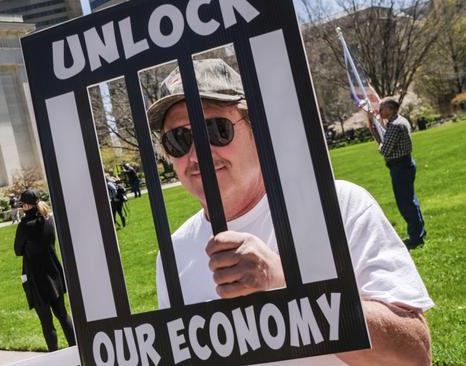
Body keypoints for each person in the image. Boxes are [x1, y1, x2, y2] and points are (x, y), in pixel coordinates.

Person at [150, 59, 433, 365]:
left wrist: (287, 284)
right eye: (178, 139)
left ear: (256, 128)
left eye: (215, 130)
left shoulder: (338, 205)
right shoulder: (173, 255)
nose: (197, 154)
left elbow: (414, 353)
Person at [14, 189, 76, 352]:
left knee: (46, 321)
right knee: (63, 314)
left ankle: (55, 355)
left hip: (36, 276)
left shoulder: (24, 226)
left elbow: (17, 250)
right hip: (53, 272)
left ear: (26, 205)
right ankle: (76, 349)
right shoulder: (48, 220)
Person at [379, 99, 426, 249]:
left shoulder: (394, 125)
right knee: (411, 199)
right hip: (406, 164)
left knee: (405, 203)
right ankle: (419, 232)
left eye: (382, 108)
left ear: (390, 109)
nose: (380, 111)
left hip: (400, 167)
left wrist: (380, 145)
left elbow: (385, 150)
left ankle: (415, 238)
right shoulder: (402, 121)